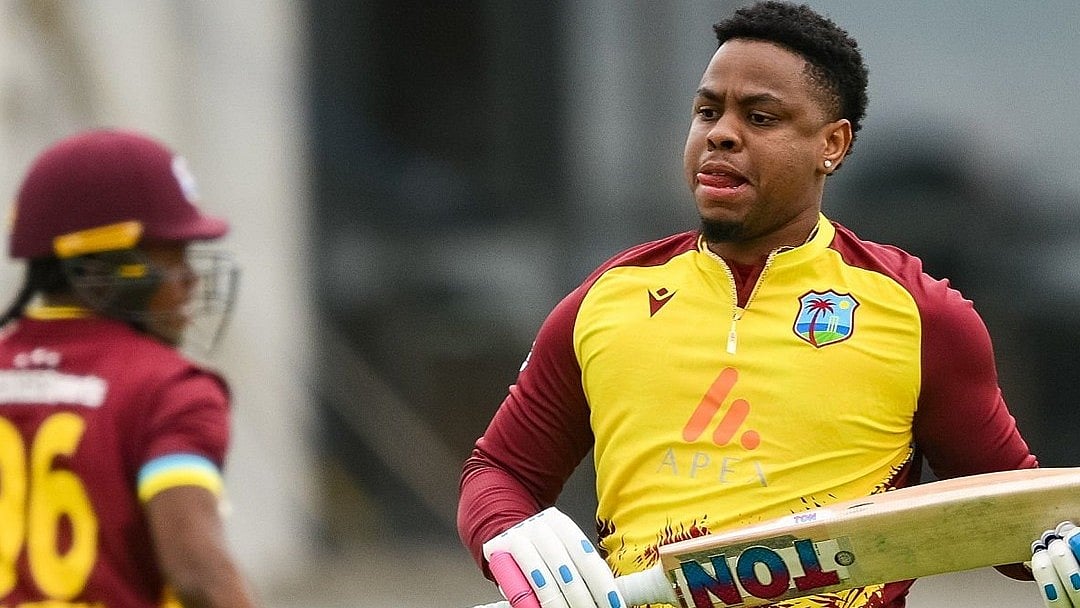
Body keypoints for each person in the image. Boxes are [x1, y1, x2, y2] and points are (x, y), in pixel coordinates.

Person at [457, 2, 1050, 607]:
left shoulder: (921, 315)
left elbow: (1018, 518)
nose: (720, 133)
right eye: (707, 111)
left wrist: (1060, 544)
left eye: (760, 117)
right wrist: (513, 536)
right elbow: (501, 472)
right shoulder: (605, 300)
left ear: (832, 144)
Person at [0, 129, 258, 608]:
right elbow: (198, 575)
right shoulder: (169, 388)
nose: (191, 279)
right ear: (112, 263)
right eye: (174, 255)